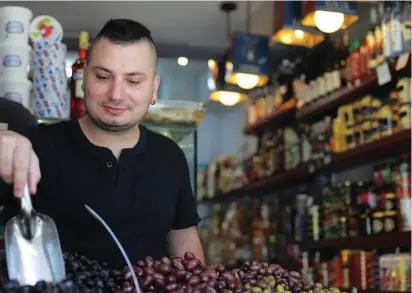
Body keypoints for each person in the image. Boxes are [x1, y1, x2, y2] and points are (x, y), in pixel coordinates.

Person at [0, 19, 204, 269]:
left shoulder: (170, 156)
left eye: (133, 81)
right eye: (103, 76)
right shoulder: (36, 146)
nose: (116, 94)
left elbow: (183, 239)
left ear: (153, 88)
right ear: (84, 77)